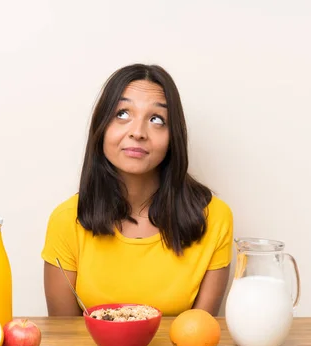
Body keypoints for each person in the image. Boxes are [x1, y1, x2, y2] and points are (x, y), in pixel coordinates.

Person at [41, 63, 233, 317]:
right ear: (101, 127)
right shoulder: (66, 220)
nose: (138, 132)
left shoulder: (213, 219)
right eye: (122, 114)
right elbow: (65, 338)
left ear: (172, 136)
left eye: (156, 119)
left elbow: (198, 334)